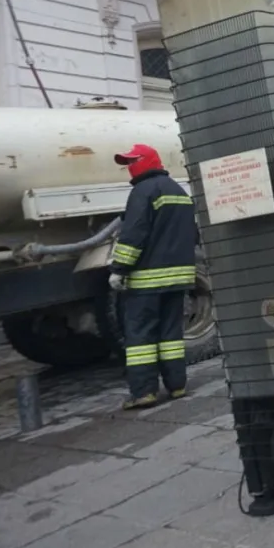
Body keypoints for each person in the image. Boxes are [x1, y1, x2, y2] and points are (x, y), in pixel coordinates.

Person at [109, 144, 197, 410]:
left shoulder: (142, 191)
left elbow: (133, 235)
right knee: (171, 334)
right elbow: (191, 234)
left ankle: (144, 392)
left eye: (132, 161)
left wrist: (119, 269)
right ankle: (177, 385)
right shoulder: (178, 190)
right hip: (178, 277)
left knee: (140, 337)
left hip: (147, 280)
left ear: (147, 161)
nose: (129, 167)